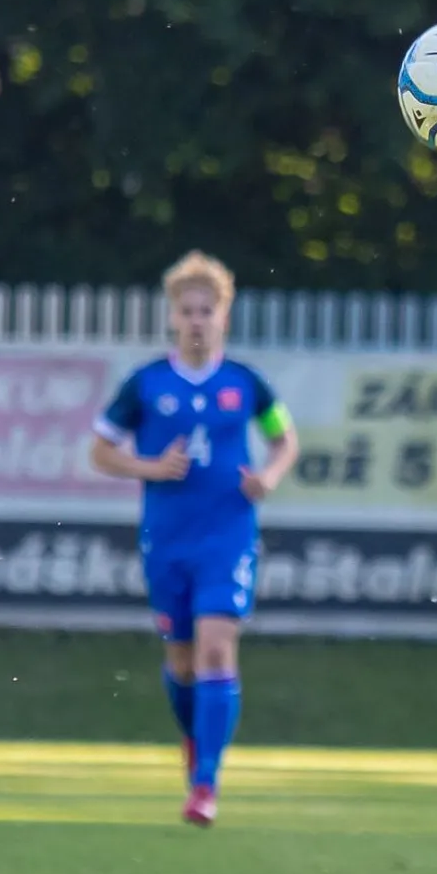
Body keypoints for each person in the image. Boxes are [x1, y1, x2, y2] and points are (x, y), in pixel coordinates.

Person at [90, 251, 299, 826]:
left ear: (223, 316)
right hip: (167, 539)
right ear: (172, 317)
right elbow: (101, 450)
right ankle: (196, 744)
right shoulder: (148, 384)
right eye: (188, 310)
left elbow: (284, 440)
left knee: (214, 647)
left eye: (208, 310)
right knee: (181, 661)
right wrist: (151, 467)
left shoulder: (245, 384)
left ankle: (205, 783)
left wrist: (269, 477)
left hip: (227, 536)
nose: (198, 320)